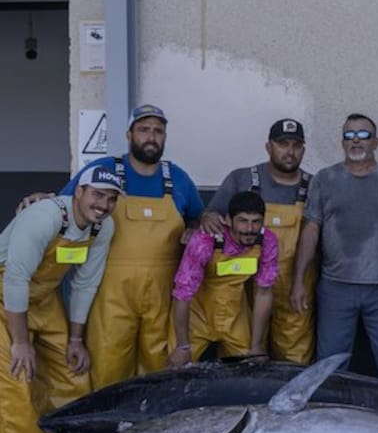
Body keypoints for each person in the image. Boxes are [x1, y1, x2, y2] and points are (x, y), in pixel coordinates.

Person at [29, 105, 205, 389]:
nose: (151, 137)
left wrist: (195, 228)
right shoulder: (104, 170)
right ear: (129, 134)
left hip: (163, 295)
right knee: (107, 368)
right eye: (144, 129)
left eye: (158, 131)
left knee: (160, 371)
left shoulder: (178, 178)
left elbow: (197, 216)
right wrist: (42, 201)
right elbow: (66, 205)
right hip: (110, 292)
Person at [0, 166, 121, 433]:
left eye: (111, 198)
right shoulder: (44, 218)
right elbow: (15, 280)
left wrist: (76, 339)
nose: (103, 205)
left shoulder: (102, 227)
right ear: (78, 192)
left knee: (71, 372)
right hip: (6, 295)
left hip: (44, 297)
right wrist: (21, 342)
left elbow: (85, 283)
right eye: (97, 194)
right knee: (16, 379)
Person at [291, 114, 378, 384]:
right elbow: (311, 231)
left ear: (376, 142)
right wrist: (298, 280)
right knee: (329, 366)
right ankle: (330, 410)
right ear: (342, 142)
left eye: (363, 134)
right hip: (335, 288)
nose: (356, 140)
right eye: (349, 135)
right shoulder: (324, 179)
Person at [201, 118, 314, 363]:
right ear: (268, 146)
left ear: (303, 150)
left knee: (294, 360)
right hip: (245, 288)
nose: (290, 151)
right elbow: (212, 214)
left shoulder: (315, 186)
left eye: (296, 145)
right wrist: (208, 217)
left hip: (295, 286)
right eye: (283, 144)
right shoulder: (241, 179)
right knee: (243, 359)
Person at [169, 190, 279, 367]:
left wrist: (257, 344)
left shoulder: (267, 241)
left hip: (235, 316)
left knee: (248, 367)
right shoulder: (204, 241)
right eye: (243, 221)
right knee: (176, 368)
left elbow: (264, 293)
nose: (249, 229)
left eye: (256, 222)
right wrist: (182, 346)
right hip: (196, 316)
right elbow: (182, 294)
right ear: (228, 220)